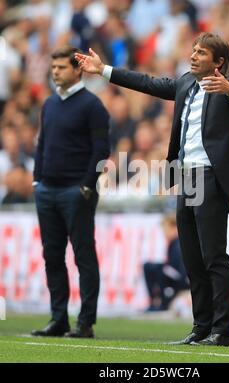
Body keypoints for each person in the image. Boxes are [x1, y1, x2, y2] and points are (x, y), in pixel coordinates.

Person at [75, 32, 229, 346]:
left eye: (202, 52)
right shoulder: (185, 83)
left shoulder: (227, 85)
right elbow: (146, 82)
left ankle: (223, 330)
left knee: (213, 256)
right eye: (194, 50)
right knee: (191, 257)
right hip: (185, 176)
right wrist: (104, 70)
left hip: (211, 176)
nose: (194, 55)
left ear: (219, 62)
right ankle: (201, 327)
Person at [31, 46, 110, 338]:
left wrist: (87, 185)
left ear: (78, 70)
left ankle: (85, 322)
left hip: (75, 191)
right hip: (47, 190)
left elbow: (102, 150)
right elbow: (42, 145)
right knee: (52, 256)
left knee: (82, 256)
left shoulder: (92, 106)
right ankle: (58, 319)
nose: (55, 72)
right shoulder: (49, 104)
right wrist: (37, 180)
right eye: (53, 68)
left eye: (61, 67)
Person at [143, 213, 189, 312]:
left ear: (174, 228)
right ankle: (155, 302)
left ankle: (163, 303)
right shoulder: (174, 243)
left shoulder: (179, 244)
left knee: (158, 269)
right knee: (150, 267)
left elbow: (182, 271)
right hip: (178, 277)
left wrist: (163, 268)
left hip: (184, 280)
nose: (164, 233)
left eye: (166, 229)